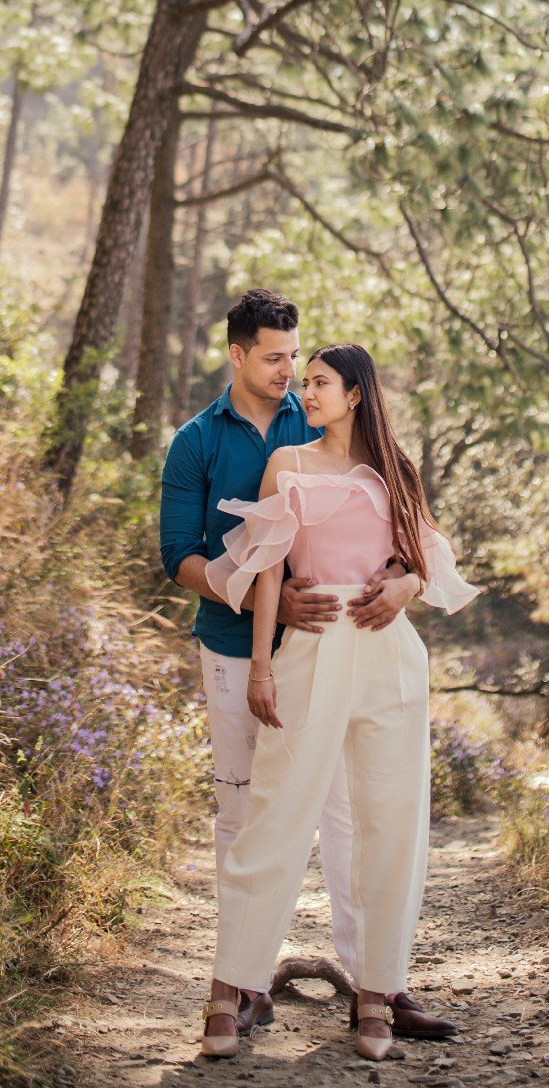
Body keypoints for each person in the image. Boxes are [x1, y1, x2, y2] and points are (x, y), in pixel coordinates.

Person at [160, 291, 457, 1045]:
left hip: (385, 653)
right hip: (295, 651)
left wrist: (404, 584)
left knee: (384, 820)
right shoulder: (248, 450)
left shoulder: (390, 464)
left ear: (351, 395)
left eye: (312, 371)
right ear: (239, 354)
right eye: (283, 362)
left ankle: (379, 993)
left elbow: (424, 556)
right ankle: (234, 990)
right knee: (269, 816)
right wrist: (264, 659)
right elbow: (239, 565)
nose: (297, 380)